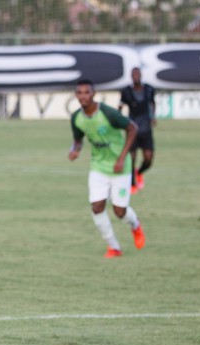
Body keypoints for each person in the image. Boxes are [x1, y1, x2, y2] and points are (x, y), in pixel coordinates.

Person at [69, 78, 145, 259]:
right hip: (98, 167)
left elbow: (132, 128)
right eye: (79, 93)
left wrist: (121, 158)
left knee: (120, 212)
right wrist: (75, 150)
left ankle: (135, 225)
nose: (83, 96)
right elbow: (78, 140)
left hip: (120, 167)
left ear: (93, 93)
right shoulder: (76, 118)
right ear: (76, 95)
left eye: (87, 92)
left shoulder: (108, 113)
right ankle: (114, 247)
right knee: (97, 207)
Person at [119, 67, 157, 194]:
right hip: (132, 129)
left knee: (148, 158)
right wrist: (118, 119)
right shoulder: (126, 91)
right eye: (133, 74)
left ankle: (139, 172)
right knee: (132, 157)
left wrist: (153, 117)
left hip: (146, 128)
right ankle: (132, 183)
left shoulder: (149, 89)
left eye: (137, 74)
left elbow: (152, 103)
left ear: (141, 75)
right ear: (131, 76)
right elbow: (120, 106)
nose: (136, 76)